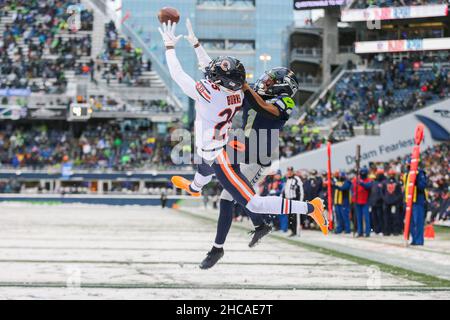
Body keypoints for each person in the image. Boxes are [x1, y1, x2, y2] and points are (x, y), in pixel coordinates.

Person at [158, 20, 327, 269]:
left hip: (253, 154)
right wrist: (196, 45)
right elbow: (213, 70)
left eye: (270, 81)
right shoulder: (235, 93)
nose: (265, 82)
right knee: (204, 167)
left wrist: (170, 46)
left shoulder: (259, 99)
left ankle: (308, 208)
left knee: (240, 198)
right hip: (233, 146)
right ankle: (196, 188)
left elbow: (181, 75)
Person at [405, 167, 428, 245]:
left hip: (418, 200)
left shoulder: (420, 173)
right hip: (409, 201)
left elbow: (423, 186)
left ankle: (419, 240)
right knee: (410, 222)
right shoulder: (407, 173)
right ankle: (414, 239)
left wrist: (416, 181)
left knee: (418, 221)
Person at [283, 167, 304, 236]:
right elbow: (286, 191)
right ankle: (292, 231)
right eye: (288, 171)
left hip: (295, 200)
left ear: (293, 172)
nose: (289, 172)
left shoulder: (297, 179)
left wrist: (300, 201)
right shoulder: (287, 180)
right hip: (288, 200)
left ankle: (297, 232)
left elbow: (301, 190)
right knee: (290, 217)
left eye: (290, 171)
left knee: (296, 217)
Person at [352, 167, 373, 237]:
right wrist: (353, 196)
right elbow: (352, 188)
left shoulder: (368, 180)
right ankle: (359, 231)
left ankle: (367, 232)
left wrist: (361, 183)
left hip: (365, 201)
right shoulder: (355, 179)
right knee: (359, 217)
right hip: (357, 201)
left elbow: (368, 186)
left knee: (366, 217)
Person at [382, 170, 403, 235]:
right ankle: (387, 231)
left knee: (396, 217)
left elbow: (400, 193)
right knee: (386, 217)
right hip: (386, 202)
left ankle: (395, 231)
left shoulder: (398, 183)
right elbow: (382, 192)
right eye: (390, 174)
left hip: (395, 203)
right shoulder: (384, 182)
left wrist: (396, 200)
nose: (391, 176)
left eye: (392, 174)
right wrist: (385, 199)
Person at [369, 168, 386, 235]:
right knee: (374, 217)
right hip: (373, 203)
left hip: (380, 203)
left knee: (380, 217)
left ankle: (381, 230)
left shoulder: (384, 182)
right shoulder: (374, 183)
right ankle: (375, 230)